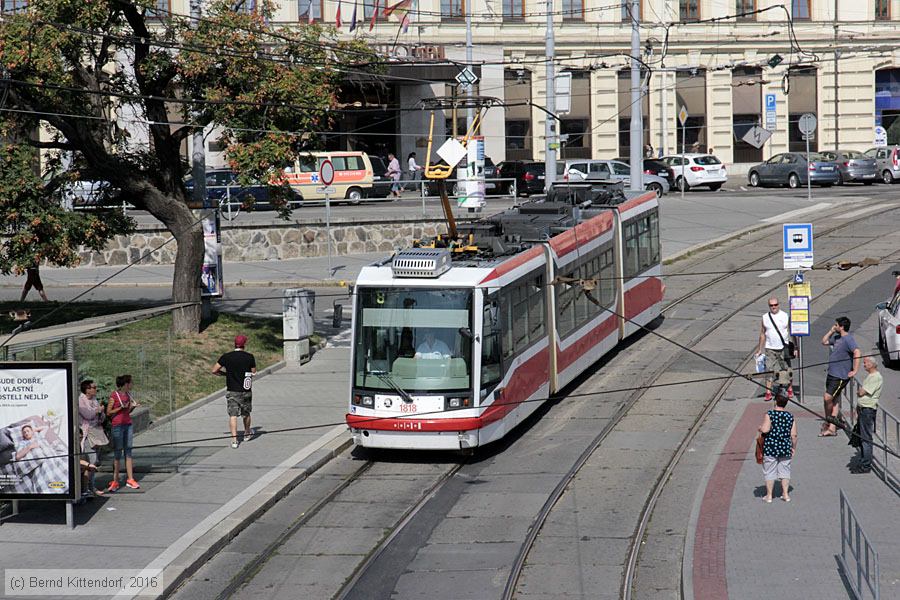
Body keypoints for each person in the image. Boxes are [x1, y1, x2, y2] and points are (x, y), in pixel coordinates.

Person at [213, 334, 257, 449]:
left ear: (234, 344)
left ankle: (234, 440)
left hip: (232, 389)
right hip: (245, 389)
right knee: (246, 413)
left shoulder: (226, 357)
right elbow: (253, 372)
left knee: (233, 415)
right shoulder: (249, 357)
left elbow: (214, 370)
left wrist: (225, 374)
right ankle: (247, 433)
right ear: (244, 345)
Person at [820, 317, 860, 437]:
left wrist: (855, 370)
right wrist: (831, 331)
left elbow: (857, 352)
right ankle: (831, 425)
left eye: (836, 325)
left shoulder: (848, 339)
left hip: (840, 375)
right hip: (832, 373)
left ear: (842, 327)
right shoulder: (837, 337)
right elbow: (824, 342)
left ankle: (830, 422)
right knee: (834, 399)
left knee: (827, 398)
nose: (835, 326)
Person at [758, 393, 798, 503]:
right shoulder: (790, 416)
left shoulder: (769, 414)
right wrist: (793, 447)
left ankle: (769, 496)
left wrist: (760, 428)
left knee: (770, 471)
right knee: (785, 470)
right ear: (786, 403)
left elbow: (765, 430)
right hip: (785, 448)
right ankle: (785, 494)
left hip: (771, 447)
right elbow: (794, 435)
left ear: (775, 401)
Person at [756, 297, 795, 401]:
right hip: (770, 348)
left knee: (786, 369)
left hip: (783, 347)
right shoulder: (765, 317)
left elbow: (791, 332)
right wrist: (760, 349)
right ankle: (768, 392)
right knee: (769, 370)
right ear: (769, 306)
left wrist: (795, 347)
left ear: (779, 304)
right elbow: (762, 333)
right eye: (771, 305)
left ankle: (789, 389)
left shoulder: (785, 316)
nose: (774, 307)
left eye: (775, 305)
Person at [106, 374, 140, 492]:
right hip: (117, 425)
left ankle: (130, 478)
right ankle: (115, 480)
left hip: (128, 424)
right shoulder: (114, 396)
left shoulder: (128, 395)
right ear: (126, 384)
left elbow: (127, 411)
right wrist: (120, 408)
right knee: (117, 452)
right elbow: (109, 412)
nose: (132, 385)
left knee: (128, 450)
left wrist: (132, 407)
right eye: (131, 383)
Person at [853, 356, 882, 473]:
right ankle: (863, 460)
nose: (863, 365)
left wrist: (860, 392)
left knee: (866, 438)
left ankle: (866, 465)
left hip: (868, 410)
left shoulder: (876, 377)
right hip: (863, 409)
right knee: (862, 437)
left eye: (865, 363)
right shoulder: (870, 376)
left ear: (871, 364)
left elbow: (862, 392)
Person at [78, 379, 106, 496]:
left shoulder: (94, 400)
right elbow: (87, 414)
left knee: (95, 461)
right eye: (93, 387)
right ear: (87, 389)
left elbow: (102, 417)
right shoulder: (81, 401)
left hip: (96, 432)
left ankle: (90, 486)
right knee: (91, 461)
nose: (96, 389)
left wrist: (100, 413)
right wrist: (97, 410)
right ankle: (87, 488)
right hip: (87, 434)